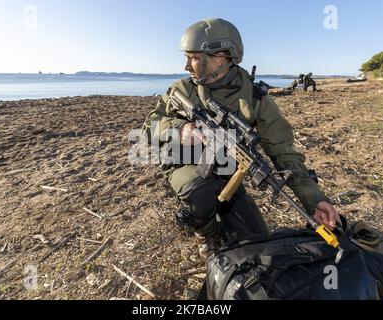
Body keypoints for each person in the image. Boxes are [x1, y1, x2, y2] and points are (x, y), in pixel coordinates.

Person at [142, 18, 339, 242]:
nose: (186, 66)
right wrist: (180, 129)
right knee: (201, 193)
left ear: (219, 58)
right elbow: (149, 126)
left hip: (226, 172)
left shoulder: (254, 98)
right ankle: (203, 231)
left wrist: (314, 200)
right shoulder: (183, 90)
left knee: (258, 239)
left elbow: (283, 151)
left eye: (194, 59)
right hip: (182, 161)